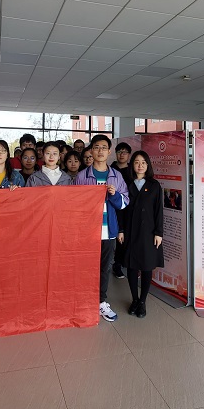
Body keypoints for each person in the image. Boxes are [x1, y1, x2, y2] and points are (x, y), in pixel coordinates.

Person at [74, 134, 129, 322]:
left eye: (104, 148)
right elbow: (75, 204)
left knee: (104, 268)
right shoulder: (82, 176)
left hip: (108, 231)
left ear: (109, 151)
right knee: (85, 267)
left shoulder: (116, 176)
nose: (100, 151)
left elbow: (124, 203)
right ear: (91, 150)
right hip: (88, 231)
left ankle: (100, 302)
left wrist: (114, 195)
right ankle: (84, 301)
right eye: (96, 147)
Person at [121, 151, 163, 318]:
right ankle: (134, 299)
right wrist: (121, 230)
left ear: (148, 165)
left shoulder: (154, 185)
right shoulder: (126, 183)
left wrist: (158, 233)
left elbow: (159, 211)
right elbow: (121, 210)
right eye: (137, 162)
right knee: (131, 267)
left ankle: (143, 301)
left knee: (146, 267)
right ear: (132, 165)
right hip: (130, 230)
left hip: (148, 232)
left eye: (143, 162)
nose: (140, 165)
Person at [110, 142, 133, 279]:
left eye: (125, 152)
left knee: (129, 236)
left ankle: (127, 263)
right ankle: (117, 264)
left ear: (129, 155)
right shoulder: (111, 170)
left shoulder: (132, 171)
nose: (122, 154)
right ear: (115, 153)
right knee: (118, 236)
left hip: (130, 208)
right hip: (115, 207)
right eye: (119, 152)